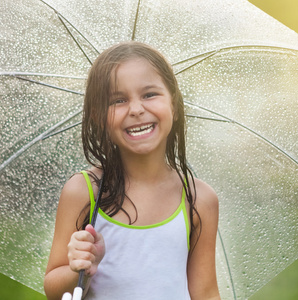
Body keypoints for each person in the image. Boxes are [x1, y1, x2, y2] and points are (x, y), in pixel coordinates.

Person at [44, 41, 220, 300]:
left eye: (149, 94)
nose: (136, 109)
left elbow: (205, 293)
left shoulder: (199, 200)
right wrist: (81, 269)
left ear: (173, 102)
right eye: (118, 100)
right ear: (97, 115)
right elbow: (53, 289)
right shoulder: (84, 192)